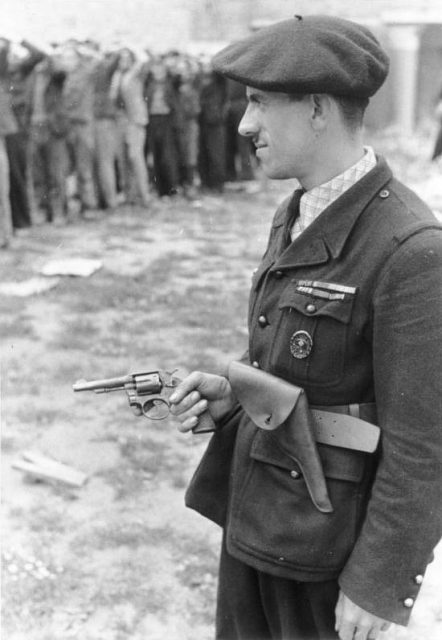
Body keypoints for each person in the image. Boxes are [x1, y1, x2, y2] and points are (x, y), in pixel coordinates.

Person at [170, 15, 442, 640]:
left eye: (260, 102)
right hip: (259, 516)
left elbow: (424, 444)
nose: (244, 123)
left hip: (326, 551)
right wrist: (236, 397)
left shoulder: (410, 247)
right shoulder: (297, 208)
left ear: (318, 109)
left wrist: (379, 582)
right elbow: (298, 362)